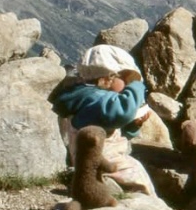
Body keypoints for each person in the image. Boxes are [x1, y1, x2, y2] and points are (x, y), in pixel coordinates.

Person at [52, 44, 156, 196]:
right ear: (109, 79)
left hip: (91, 162)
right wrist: (137, 86)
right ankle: (146, 204)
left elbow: (117, 131)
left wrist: (134, 125)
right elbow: (123, 113)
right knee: (137, 174)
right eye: (126, 80)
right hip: (102, 164)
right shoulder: (96, 99)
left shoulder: (89, 99)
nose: (127, 86)